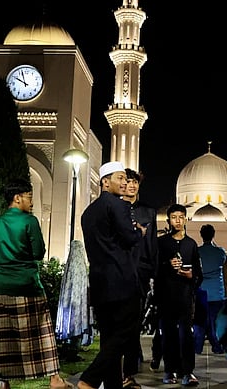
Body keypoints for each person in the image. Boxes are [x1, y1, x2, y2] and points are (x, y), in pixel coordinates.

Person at [0, 179, 72, 389]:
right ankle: (54, 379)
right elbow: (38, 252)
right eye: (29, 197)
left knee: (5, 336)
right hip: (28, 284)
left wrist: (4, 257)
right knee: (42, 332)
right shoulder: (29, 221)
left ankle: (4, 382)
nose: (31, 202)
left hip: (1, 286)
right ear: (17, 198)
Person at [78, 161, 146, 389]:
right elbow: (129, 238)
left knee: (109, 338)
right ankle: (89, 379)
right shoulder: (118, 205)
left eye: (126, 178)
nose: (125, 182)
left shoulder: (88, 212)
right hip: (122, 281)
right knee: (125, 333)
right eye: (120, 178)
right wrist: (139, 232)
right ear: (105, 182)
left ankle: (112, 385)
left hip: (100, 283)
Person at [155, 204, 202, 387]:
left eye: (181, 217)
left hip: (185, 297)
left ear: (186, 219)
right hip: (166, 297)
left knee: (186, 335)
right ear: (168, 220)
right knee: (168, 335)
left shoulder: (191, 244)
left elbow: (199, 273)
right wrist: (167, 265)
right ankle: (170, 370)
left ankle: (187, 371)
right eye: (174, 217)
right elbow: (154, 268)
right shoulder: (161, 243)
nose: (178, 221)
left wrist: (191, 276)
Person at [122, 167, 158, 389]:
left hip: (141, 272)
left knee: (134, 322)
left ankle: (129, 372)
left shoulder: (148, 212)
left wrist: (152, 273)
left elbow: (152, 244)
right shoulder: (115, 209)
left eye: (135, 182)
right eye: (128, 181)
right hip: (120, 271)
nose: (132, 185)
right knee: (120, 323)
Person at [194, 223, 227, 355]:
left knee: (200, 322)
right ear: (213, 235)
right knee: (216, 322)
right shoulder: (220, 252)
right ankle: (217, 346)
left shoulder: (197, 252)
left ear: (201, 235)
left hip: (201, 291)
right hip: (217, 292)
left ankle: (197, 347)